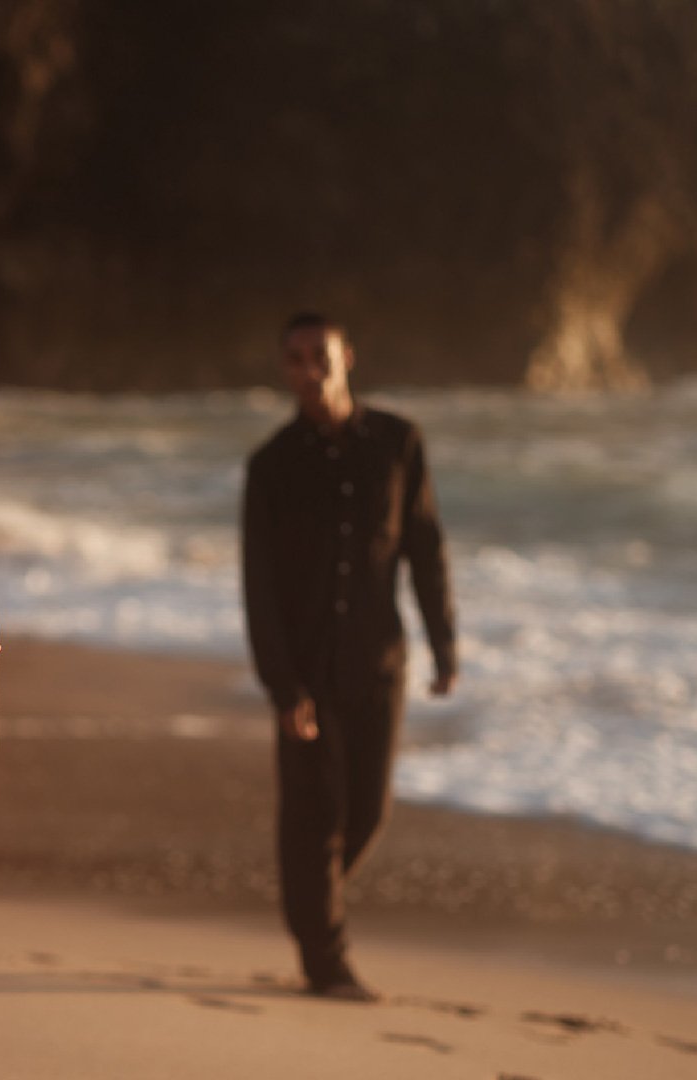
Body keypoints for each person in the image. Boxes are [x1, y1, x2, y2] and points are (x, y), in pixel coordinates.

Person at [240, 312, 458, 1001]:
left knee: (367, 811)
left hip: (377, 663)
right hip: (304, 673)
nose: (308, 371)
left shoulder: (399, 444)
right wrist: (282, 685)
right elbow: (259, 587)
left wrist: (444, 642)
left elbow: (424, 549)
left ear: (347, 359)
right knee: (315, 815)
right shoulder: (271, 466)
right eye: (295, 360)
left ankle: (310, 905)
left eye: (319, 358)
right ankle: (324, 958)